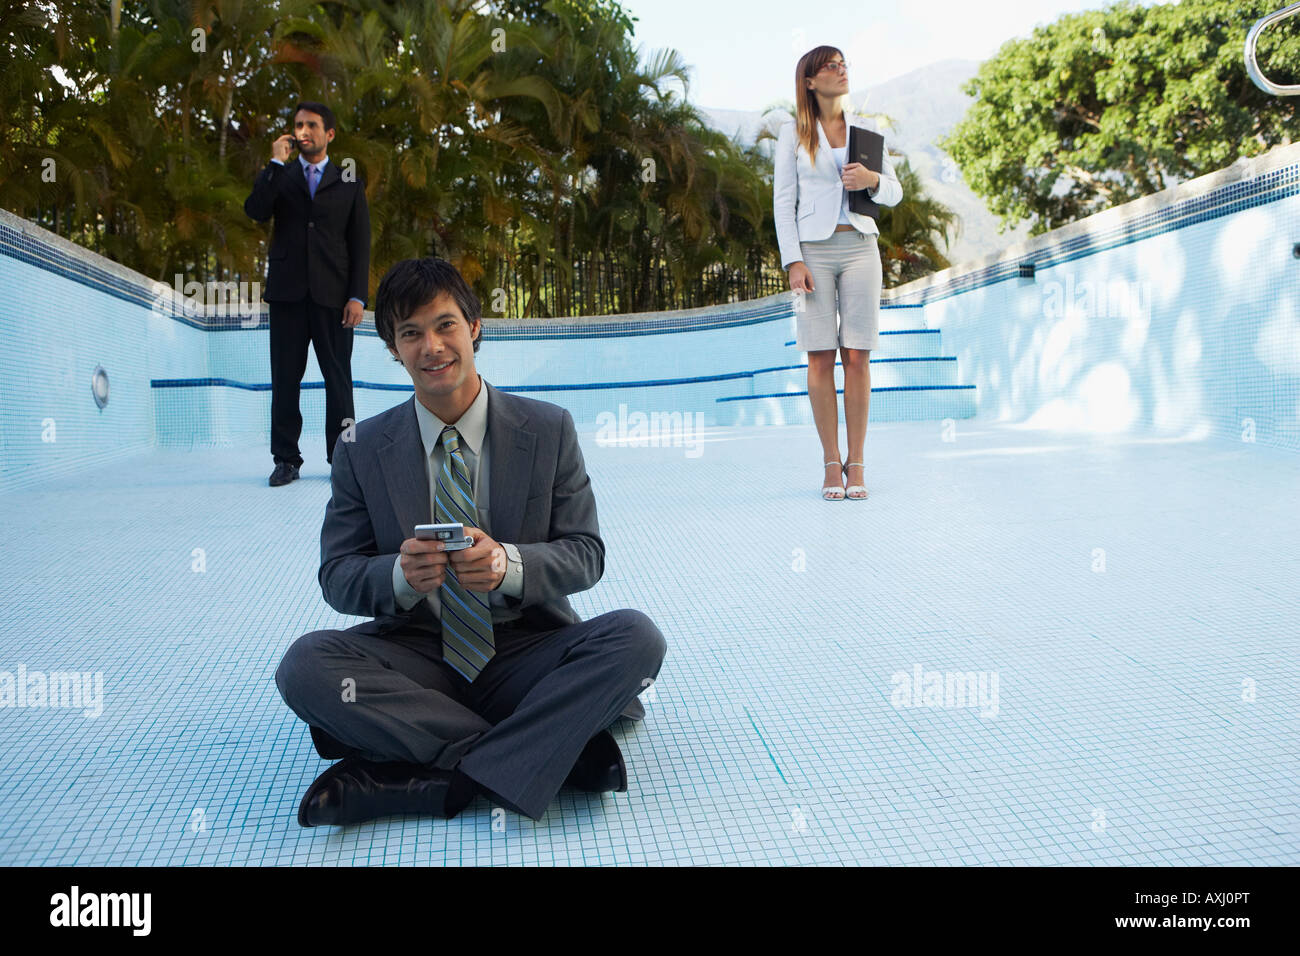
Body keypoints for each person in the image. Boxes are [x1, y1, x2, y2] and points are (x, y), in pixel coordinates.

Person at [274, 257, 667, 826]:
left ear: (474, 326)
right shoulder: (361, 448)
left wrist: (509, 565)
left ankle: (410, 780)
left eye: (445, 325)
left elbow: (586, 553)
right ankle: (557, 753)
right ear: (393, 348)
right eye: (410, 333)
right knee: (305, 666)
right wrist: (398, 578)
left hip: (524, 649)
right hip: (418, 655)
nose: (431, 346)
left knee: (636, 638)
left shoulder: (548, 429)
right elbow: (337, 575)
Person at [773, 46, 903, 501]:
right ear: (810, 81)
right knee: (820, 358)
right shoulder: (792, 134)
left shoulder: (866, 133)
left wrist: (871, 179)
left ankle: (858, 462)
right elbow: (782, 202)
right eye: (831, 65)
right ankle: (832, 462)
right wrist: (793, 261)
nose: (840, 70)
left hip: (861, 247)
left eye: (844, 63)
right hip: (813, 251)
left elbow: (894, 192)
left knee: (858, 356)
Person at [244, 101, 371, 487]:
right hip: (287, 294)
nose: (303, 131)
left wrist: (357, 296)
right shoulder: (279, 175)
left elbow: (359, 242)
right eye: (298, 125)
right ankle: (285, 459)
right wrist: (274, 165)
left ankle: (343, 456)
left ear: (329, 134)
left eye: (312, 125)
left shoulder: (348, 180)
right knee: (285, 379)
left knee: (339, 379)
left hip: (334, 296)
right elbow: (255, 211)